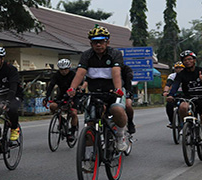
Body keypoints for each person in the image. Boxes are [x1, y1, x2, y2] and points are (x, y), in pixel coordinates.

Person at [67, 24, 128, 152]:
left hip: (113, 91)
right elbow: (80, 73)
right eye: (95, 42)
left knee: (117, 110)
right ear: (91, 43)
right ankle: (90, 159)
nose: (98, 45)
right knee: (89, 126)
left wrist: (118, 89)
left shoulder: (115, 54)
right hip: (94, 92)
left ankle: (120, 135)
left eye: (101, 42)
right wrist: (72, 88)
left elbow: (116, 72)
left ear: (107, 42)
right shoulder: (87, 55)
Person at [167, 50, 202, 156]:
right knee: (182, 107)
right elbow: (175, 85)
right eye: (185, 60)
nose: (187, 62)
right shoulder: (181, 74)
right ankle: (186, 126)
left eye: (189, 59)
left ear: (194, 60)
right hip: (188, 98)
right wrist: (170, 95)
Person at [42, 59, 78, 141]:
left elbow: (79, 85)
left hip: (73, 95)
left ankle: (72, 132)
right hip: (61, 95)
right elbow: (51, 86)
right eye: (61, 70)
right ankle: (62, 121)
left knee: (73, 113)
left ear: (69, 68)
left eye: (65, 69)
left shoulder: (73, 74)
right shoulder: (56, 75)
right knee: (52, 106)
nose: (64, 71)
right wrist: (46, 97)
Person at [163, 61, 185, 128]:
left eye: (180, 68)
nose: (179, 69)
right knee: (169, 105)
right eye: (177, 68)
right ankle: (172, 121)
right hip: (175, 94)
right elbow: (168, 84)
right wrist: (165, 91)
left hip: (185, 94)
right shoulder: (172, 76)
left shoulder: (187, 75)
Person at [121, 64, 136, 134]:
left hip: (125, 91)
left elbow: (130, 75)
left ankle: (130, 122)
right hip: (108, 91)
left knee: (128, 105)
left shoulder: (125, 68)